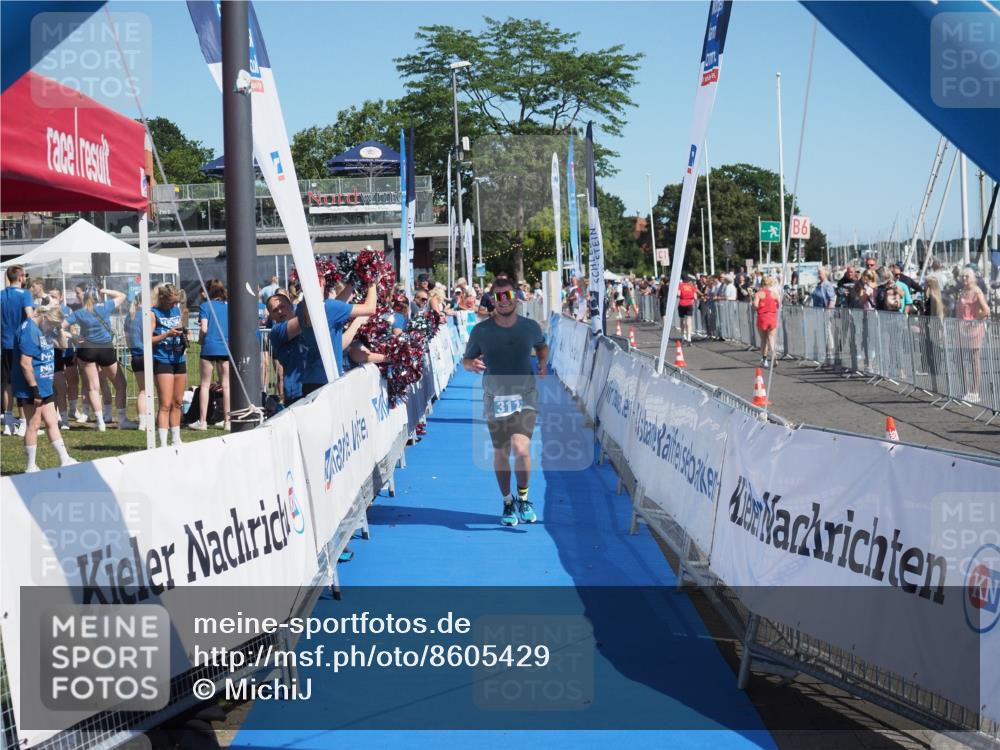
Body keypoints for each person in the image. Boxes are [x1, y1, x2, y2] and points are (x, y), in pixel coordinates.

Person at [461, 275, 549, 527]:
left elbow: (541, 346)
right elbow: (466, 360)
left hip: (526, 395)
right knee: (502, 452)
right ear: (492, 301)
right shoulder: (481, 331)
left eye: (508, 295)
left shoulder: (530, 327)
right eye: (497, 297)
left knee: (521, 449)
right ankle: (508, 500)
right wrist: (471, 364)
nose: (503, 301)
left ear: (516, 298)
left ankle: (524, 498)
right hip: (496, 397)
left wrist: (542, 360)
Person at [12, 303, 78, 472]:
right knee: (33, 424)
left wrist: (60, 330)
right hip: (31, 386)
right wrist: (35, 390)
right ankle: (31, 466)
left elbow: (62, 346)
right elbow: (25, 364)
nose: (53, 329)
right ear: (45, 318)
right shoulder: (29, 330)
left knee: (51, 421)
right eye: (53, 325)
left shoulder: (47, 327)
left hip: (45, 383)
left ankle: (65, 459)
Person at [66, 285, 133, 431]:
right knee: (120, 384)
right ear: (98, 297)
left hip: (87, 349)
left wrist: (75, 337)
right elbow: (122, 295)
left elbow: (61, 325)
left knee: (92, 387)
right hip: (105, 348)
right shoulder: (105, 306)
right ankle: (122, 419)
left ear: (84, 298)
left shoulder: (79, 313)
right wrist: (105, 290)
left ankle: (100, 421)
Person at [149, 284, 188, 446]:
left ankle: (176, 438)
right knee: (165, 403)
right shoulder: (153, 313)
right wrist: (167, 333)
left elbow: (183, 327)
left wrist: (185, 333)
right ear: (163, 298)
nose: (174, 305)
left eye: (176, 302)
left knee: (177, 401)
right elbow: (148, 339)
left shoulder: (177, 311)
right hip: (162, 359)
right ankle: (163, 442)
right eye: (172, 302)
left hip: (179, 358)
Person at [191, 280, 231, 431]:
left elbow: (204, 329)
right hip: (225, 348)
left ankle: (202, 421)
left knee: (205, 385)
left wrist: (200, 341)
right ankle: (228, 421)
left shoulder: (205, 306)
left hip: (209, 347)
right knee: (226, 386)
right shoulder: (228, 307)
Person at [2, 265, 33, 436]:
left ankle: (8, 423)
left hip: (4, 344)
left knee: (6, 383)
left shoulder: (1, 295)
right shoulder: (25, 294)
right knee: (22, 382)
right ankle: (23, 422)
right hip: (20, 344)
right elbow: (29, 316)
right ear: (20, 277)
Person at [954, 268, 990, 403]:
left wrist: (975, 320)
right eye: (963, 276)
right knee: (959, 360)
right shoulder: (962, 291)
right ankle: (965, 390)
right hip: (961, 328)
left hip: (973, 329)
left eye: (967, 277)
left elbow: (986, 310)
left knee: (974, 359)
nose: (964, 279)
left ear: (973, 278)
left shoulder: (977, 292)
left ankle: (975, 392)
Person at [124, 292, 150, 431]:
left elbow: (127, 338)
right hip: (148, 355)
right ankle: (150, 420)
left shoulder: (130, 316)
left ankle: (142, 422)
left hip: (136, 355)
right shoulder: (147, 315)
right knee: (149, 390)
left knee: (143, 390)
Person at [753, 276, 780, 367]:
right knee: (772, 338)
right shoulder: (774, 294)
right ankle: (774, 354)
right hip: (772, 316)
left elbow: (756, 305)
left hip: (762, 317)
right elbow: (780, 304)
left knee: (763, 339)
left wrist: (754, 305)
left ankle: (764, 359)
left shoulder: (759, 294)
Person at [678, 275, 698, 342]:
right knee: (689, 320)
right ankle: (689, 337)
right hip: (689, 304)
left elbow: (678, 294)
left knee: (682, 320)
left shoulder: (680, 285)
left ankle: (683, 335)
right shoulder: (692, 286)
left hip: (682, 303)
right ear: (689, 280)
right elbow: (695, 297)